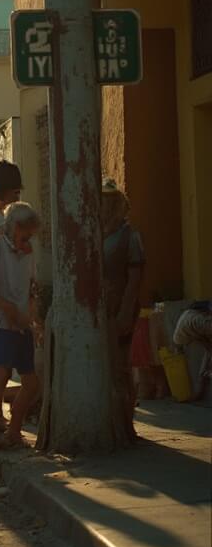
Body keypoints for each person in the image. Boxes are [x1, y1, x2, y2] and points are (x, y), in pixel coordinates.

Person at [0, 203, 42, 448]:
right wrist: (10, 311)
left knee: (31, 383)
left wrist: (33, 317)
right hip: (3, 325)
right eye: (26, 234)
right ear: (16, 227)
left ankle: (14, 430)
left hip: (23, 325)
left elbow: (31, 287)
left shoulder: (27, 251)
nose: (28, 239)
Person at [102, 178, 144, 441]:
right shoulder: (97, 232)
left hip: (121, 304)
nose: (104, 205)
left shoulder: (130, 235)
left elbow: (135, 277)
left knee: (121, 365)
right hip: (101, 307)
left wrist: (126, 311)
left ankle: (126, 422)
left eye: (108, 201)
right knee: (106, 365)